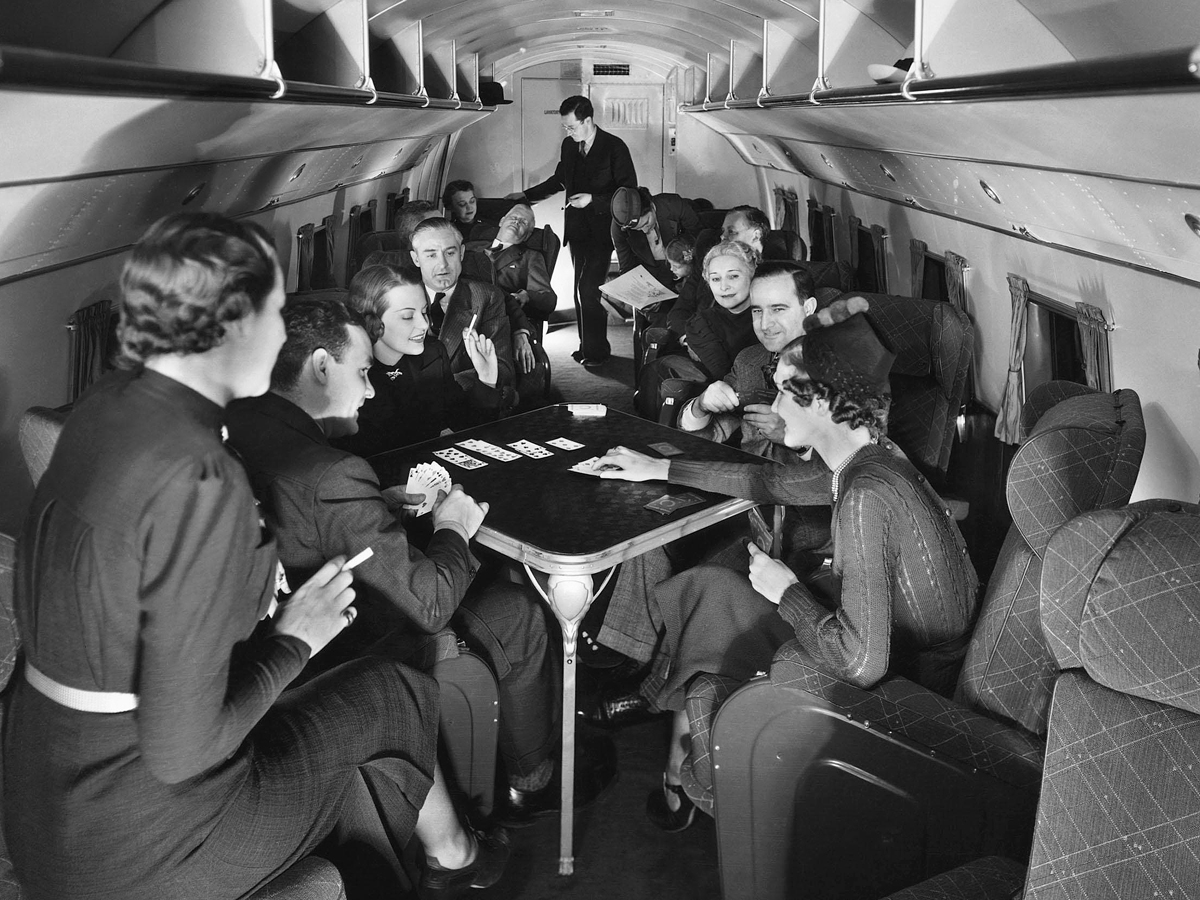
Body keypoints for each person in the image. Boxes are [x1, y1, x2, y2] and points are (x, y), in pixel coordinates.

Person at [3, 212, 508, 900]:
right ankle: (451, 860)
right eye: (274, 312)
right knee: (393, 692)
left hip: (47, 801)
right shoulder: (201, 480)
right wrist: (296, 640)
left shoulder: (105, 408)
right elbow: (184, 749)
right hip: (148, 846)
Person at [226, 296, 615, 828]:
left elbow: (302, 520)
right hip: (348, 649)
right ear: (319, 366)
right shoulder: (332, 473)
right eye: (362, 373)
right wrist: (453, 526)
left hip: (266, 640)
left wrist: (376, 506)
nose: (369, 390)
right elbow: (430, 606)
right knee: (521, 612)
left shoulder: (241, 423)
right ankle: (532, 781)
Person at [593, 299, 979, 830]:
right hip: (896, 639)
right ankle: (670, 729)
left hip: (905, 677)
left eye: (782, 391)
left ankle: (687, 755)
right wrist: (660, 467)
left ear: (819, 400)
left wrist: (788, 591)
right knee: (709, 586)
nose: (774, 405)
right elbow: (768, 481)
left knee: (716, 598)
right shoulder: (874, 457)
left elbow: (861, 663)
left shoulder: (866, 496)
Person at [510, 94, 637, 367]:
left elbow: (629, 194)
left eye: (571, 126)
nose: (568, 132)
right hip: (578, 230)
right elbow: (560, 180)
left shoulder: (614, 147)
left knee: (588, 290)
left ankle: (597, 351)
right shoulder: (569, 146)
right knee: (579, 290)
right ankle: (586, 347)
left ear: (587, 120)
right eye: (565, 127)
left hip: (603, 231)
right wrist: (526, 197)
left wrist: (593, 200)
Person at [333, 264, 502, 457]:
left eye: (424, 312)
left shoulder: (433, 354)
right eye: (407, 316)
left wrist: (487, 379)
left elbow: (468, 426)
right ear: (370, 321)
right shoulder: (344, 372)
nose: (424, 324)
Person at [678, 261, 821, 463]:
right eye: (757, 311)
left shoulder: (843, 364)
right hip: (748, 477)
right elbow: (710, 436)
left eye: (778, 309)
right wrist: (700, 406)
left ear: (808, 308)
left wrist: (799, 442)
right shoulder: (748, 359)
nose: (764, 324)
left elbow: (862, 461)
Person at [409, 217, 516, 408]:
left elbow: (502, 367)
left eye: (450, 253)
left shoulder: (486, 297)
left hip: (467, 402)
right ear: (416, 259)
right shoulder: (400, 298)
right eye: (431, 255)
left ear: (462, 253)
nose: (443, 264)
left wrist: (444, 389)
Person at [466, 202, 556, 406]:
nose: (517, 222)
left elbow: (548, 298)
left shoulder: (531, 257)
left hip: (507, 319)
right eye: (513, 217)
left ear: (528, 234)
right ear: (501, 221)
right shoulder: (470, 249)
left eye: (524, 222)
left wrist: (527, 296)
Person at [684, 240, 760, 381]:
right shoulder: (701, 325)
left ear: (752, 276)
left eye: (733, 276)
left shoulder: (772, 316)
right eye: (716, 279)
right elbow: (726, 378)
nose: (724, 287)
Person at [610, 186, 700, 290]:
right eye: (638, 229)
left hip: (681, 267)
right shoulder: (619, 228)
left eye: (646, 223)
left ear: (651, 206)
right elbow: (626, 266)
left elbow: (698, 238)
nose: (645, 230)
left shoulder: (675, 206)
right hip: (648, 273)